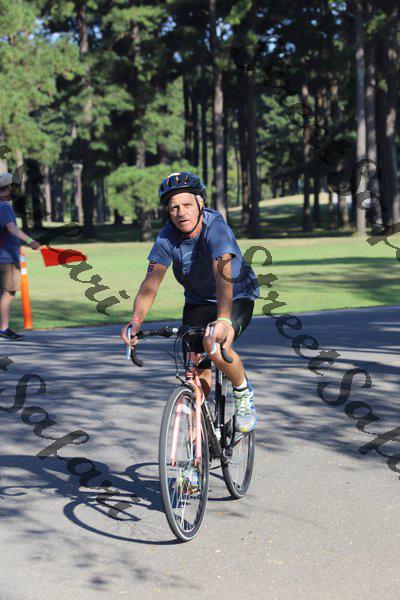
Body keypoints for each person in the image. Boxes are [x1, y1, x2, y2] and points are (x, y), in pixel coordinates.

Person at [121, 172, 260, 435]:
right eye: (174, 207)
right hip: (197, 301)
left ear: (200, 203)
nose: (181, 212)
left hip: (235, 296)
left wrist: (224, 318)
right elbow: (151, 283)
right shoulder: (167, 236)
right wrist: (136, 321)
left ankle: (243, 392)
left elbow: (223, 275)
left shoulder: (216, 228)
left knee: (213, 344)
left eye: (186, 204)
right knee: (194, 368)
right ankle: (198, 445)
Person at [0, 173, 40, 340]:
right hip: (7, 258)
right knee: (8, 293)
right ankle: (3, 329)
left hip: (4, 256)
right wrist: (30, 241)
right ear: (9, 187)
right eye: (16, 186)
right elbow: (12, 229)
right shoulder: (4, 206)